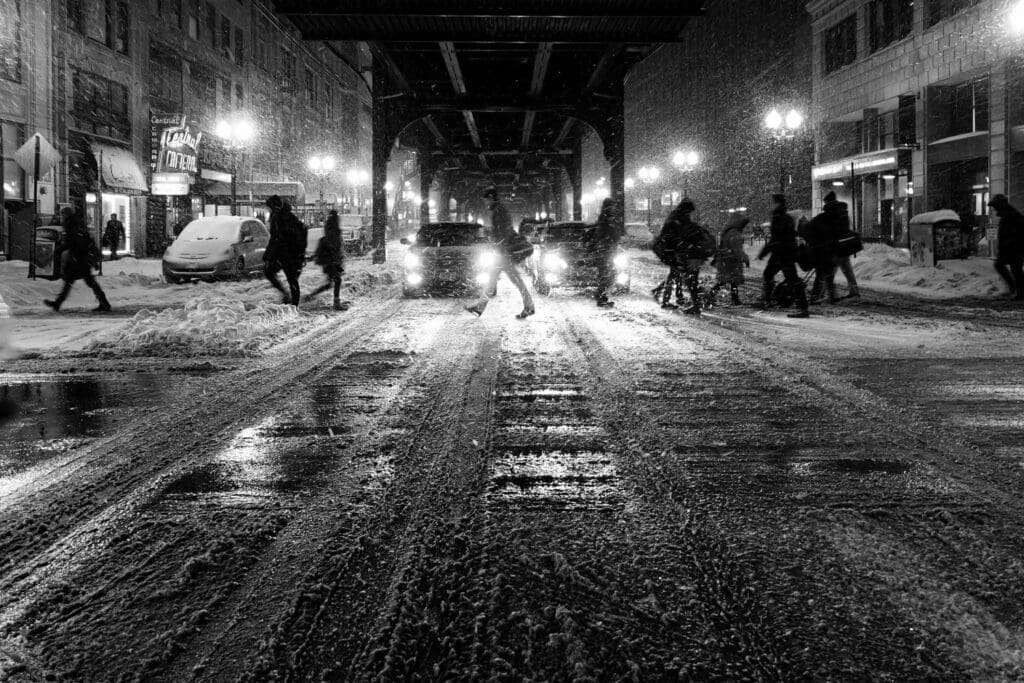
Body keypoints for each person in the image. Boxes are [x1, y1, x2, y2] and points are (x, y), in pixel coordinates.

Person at [466, 187, 535, 319]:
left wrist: (499, 245)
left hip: (503, 252)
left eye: (486, 200)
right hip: (503, 251)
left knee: (507, 280)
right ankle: (528, 305)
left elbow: (503, 232)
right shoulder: (499, 210)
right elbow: (504, 230)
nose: (485, 203)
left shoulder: (498, 211)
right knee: (503, 279)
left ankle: (529, 306)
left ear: (491, 198)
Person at [44, 206, 111, 313]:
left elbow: (72, 242)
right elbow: (78, 240)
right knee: (73, 281)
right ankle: (58, 303)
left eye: (63, 214)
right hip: (79, 257)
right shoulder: (76, 223)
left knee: (84, 281)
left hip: (79, 258)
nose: (62, 217)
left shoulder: (71, 224)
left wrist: (59, 250)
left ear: (66, 215)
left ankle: (105, 303)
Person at [651, 199, 711, 314]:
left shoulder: (676, 218)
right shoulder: (680, 220)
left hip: (677, 252)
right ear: (687, 210)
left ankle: (664, 297)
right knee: (686, 278)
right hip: (679, 253)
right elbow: (675, 237)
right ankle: (691, 304)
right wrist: (678, 250)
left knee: (676, 276)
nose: (691, 214)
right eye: (690, 212)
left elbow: (671, 236)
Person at [758, 194, 810, 318]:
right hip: (783, 252)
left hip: (783, 253)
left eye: (772, 202)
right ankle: (767, 300)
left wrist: (764, 251)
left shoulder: (779, 217)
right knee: (769, 274)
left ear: (777, 203)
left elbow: (777, 238)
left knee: (792, 279)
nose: (770, 205)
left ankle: (802, 308)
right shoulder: (783, 216)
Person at [263, 195, 306, 306]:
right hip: (293, 254)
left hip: (284, 254)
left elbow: (275, 239)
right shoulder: (291, 217)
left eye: (269, 207)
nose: (268, 210)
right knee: (292, 280)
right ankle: (293, 303)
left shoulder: (277, 218)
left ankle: (290, 300)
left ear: (273, 206)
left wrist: (268, 255)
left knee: (270, 273)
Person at [305, 209, 348, 310]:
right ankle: (336, 303)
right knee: (337, 280)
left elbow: (333, 245)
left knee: (330, 283)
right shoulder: (334, 229)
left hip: (328, 260)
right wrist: (337, 260)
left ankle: (311, 296)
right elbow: (335, 246)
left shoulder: (330, 227)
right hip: (330, 260)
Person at [805, 199, 841, 305]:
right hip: (823, 252)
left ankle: (829, 296)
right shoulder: (830, 221)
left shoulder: (822, 219)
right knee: (823, 275)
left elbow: (809, 231)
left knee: (826, 274)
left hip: (823, 251)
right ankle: (816, 297)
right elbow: (833, 237)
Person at [989, 194, 1024, 300]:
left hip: (1013, 249)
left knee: (1013, 269)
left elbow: (1011, 234)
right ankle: (1018, 291)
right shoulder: (1010, 215)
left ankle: (1016, 289)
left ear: (1000, 206)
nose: (994, 210)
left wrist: (1008, 246)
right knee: (1016, 270)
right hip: (1013, 248)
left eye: (995, 207)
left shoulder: (1010, 216)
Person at [587, 197, 619, 308]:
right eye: (612, 205)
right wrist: (609, 243)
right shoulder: (606, 220)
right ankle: (600, 297)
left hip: (605, 252)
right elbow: (601, 236)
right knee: (608, 276)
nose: (614, 208)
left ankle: (602, 297)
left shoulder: (605, 219)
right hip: (605, 252)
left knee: (608, 276)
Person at [710, 213, 750, 305]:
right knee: (729, 281)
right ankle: (732, 298)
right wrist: (745, 258)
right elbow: (737, 250)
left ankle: (733, 298)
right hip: (731, 262)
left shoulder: (728, 231)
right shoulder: (735, 233)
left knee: (729, 281)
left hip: (726, 261)